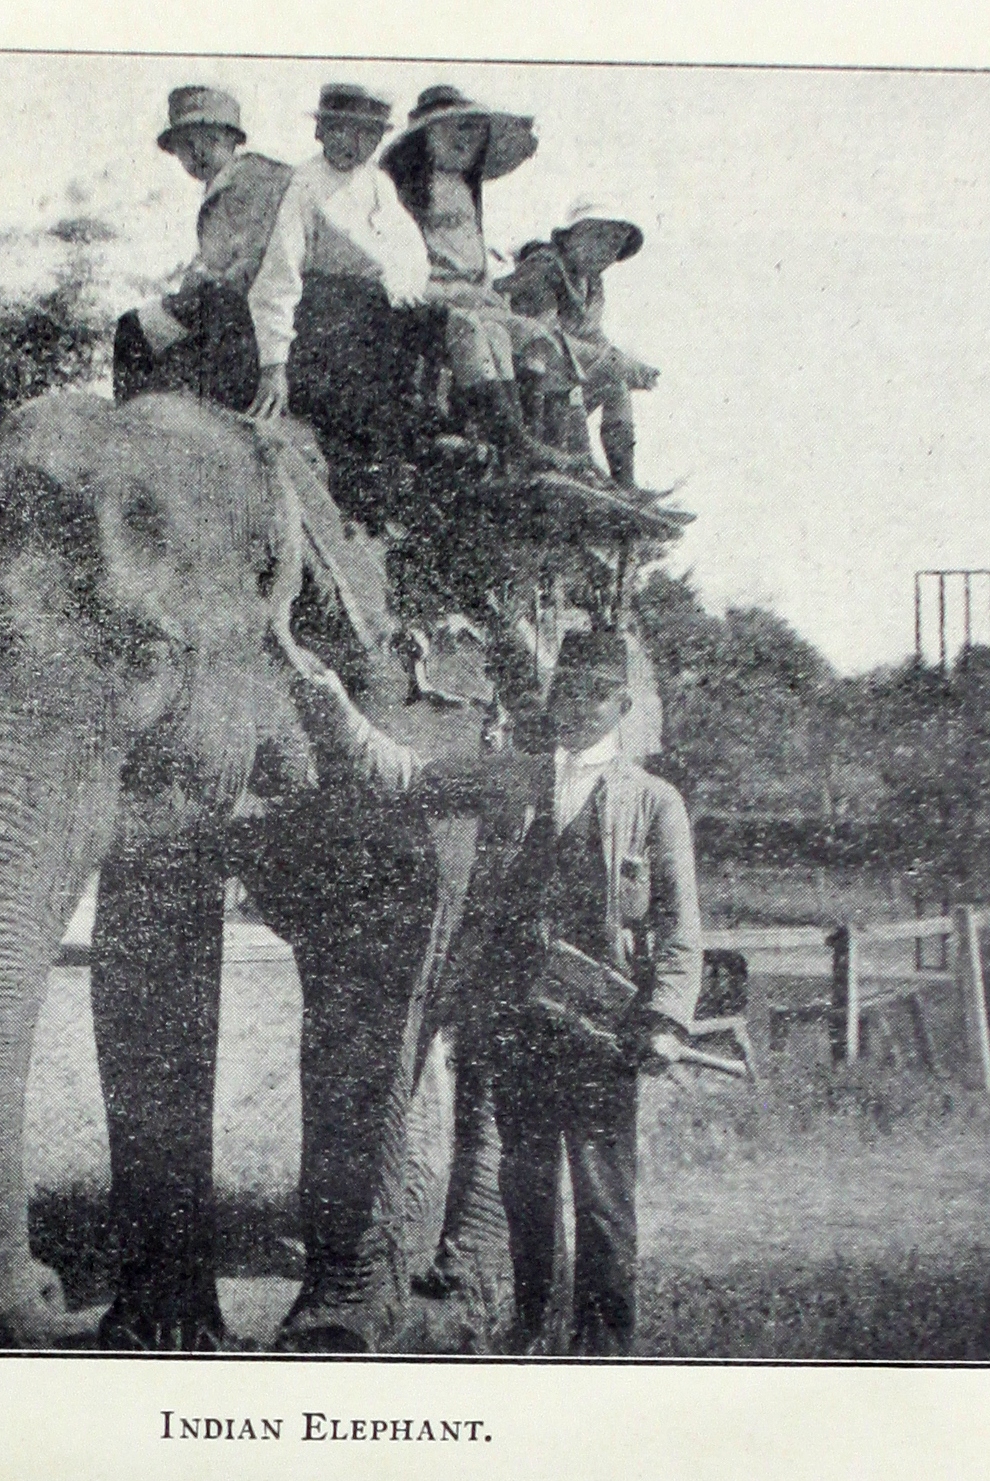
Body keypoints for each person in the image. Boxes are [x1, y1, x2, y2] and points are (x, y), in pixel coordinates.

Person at [290, 626, 700, 1355]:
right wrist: (335, 710)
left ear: (621, 703)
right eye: (564, 690)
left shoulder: (652, 802)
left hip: (604, 1030)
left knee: (603, 1200)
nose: (575, 706)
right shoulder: (508, 776)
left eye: (593, 694)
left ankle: (605, 1347)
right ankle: (532, 1336)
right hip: (515, 1022)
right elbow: (407, 774)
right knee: (527, 1191)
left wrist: (665, 1017)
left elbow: (678, 926)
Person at [245, 83, 430, 528]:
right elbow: (279, 276)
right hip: (325, 320)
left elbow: (412, 252)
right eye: (343, 130)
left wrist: (402, 282)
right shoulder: (305, 185)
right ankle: (354, 511)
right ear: (321, 131)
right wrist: (274, 365)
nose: (355, 144)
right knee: (352, 414)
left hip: (378, 316)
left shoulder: (378, 183)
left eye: (369, 135)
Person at [377, 86, 579, 473]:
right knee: (482, 332)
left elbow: (475, 265)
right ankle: (513, 442)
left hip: (474, 299)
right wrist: (465, 294)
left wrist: (487, 292)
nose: (462, 141)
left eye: (472, 132)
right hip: (430, 301)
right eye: (450, 131)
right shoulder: (402, 194)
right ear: (422, 138)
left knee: (537, 338)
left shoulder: (467, 193)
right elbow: (402, 270)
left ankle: (542, 444)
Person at [113, 86, 294, 412]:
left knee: (134, 327)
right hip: (230, 300)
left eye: (210, 141)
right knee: (151, 328)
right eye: (186, 145)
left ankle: (131, 425)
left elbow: (258, 253)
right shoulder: (222, 184)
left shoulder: (254, 177)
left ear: (233, 140)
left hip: (248, 303)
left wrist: (205, 280)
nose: (198, 153)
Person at [499, 202, 661, 488]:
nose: (606, 252)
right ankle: (578, 466)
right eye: (598, 237)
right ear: (570, 236)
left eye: (614, 245)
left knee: (616, 381)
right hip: (522, 388)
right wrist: (610, 361)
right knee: (609, 371)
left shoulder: (592, 284)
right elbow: (541, 336)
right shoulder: (544, 267)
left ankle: (625, 483)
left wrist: (627, 364)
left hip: (558, 384)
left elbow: (594, 339)